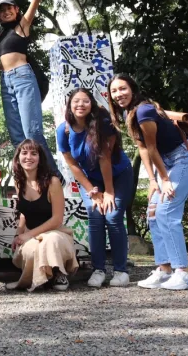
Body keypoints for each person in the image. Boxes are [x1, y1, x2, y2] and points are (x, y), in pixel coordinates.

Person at [108, 74, 188, 291]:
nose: (119, 94)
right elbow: (142, 148)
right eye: (114, 91)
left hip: (183, 158)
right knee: (153, 212)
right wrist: (152, 180)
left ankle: (185, 273)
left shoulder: (143, 111)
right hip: (165, 162)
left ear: (133, 89)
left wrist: (165, 179)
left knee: (166, 211)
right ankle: (165, 269)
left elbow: (151, 147)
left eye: (123, 89)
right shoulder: (129, 113)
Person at [57, 88, 133, 288]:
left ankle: (121, 271)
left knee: (113, 216)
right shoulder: (63, 131)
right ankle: (98, 269)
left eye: (85, 101)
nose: (80, 105)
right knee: (95, 215)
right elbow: (72, 164)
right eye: (76, 101)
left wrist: (108, 192)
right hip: (90, 179)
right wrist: (92, 190)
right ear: (69, 105)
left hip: (117, 175)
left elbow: (104, 158)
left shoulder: (103, 124)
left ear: (91, 105)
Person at [0, 0, 58, 172]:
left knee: (33, 133)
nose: (6, 12)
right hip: (6, 81)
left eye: (9, 8)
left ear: (17, 10)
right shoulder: (0, 37)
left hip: (23, 78)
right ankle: (29, 179)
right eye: (2, 11)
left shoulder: (22, 26)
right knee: (17, 137)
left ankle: (54, 178)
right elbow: (3, 62)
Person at [6, 139, 78, 291]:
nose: (29, 157)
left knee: (50, 240)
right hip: (31, 236)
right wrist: (18, 234)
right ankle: (43, 277)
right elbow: (24, 213)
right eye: (24, 153)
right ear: (18, 158)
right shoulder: (19, 182)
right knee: (33, 248)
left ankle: (58, 272)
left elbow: (57, 219)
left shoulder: (53, 182)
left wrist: (28, 234)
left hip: (55, 233)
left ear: (40, 158)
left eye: (34, 153)